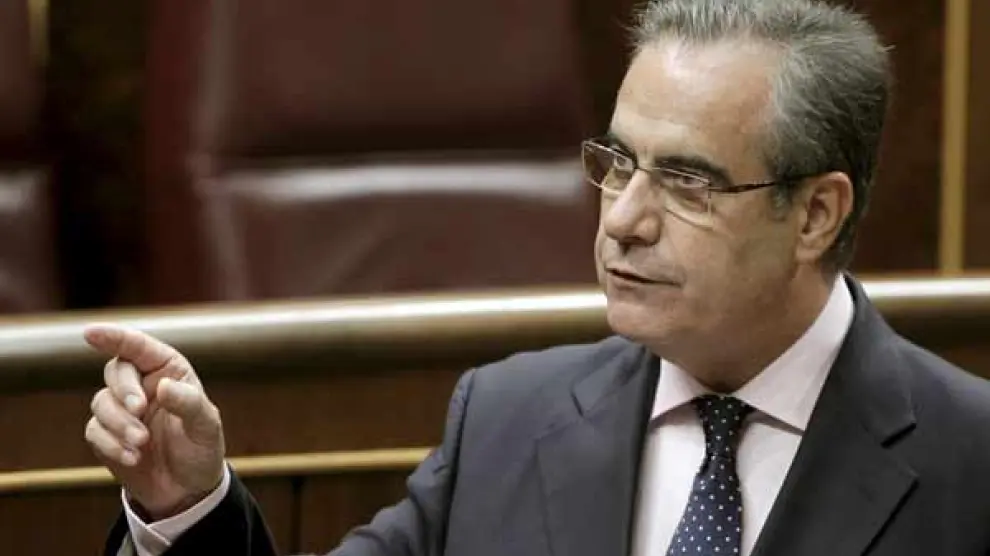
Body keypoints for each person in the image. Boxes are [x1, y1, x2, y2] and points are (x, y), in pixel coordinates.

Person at [85, 0, 990, 555]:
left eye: (687, 182)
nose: (624, 219)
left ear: (816, 214)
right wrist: (189, 504)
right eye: (618, 163)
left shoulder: (970, 463)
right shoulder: (508, 420)